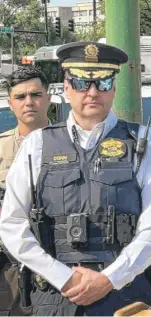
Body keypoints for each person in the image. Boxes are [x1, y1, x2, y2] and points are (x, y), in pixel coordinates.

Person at [0, 41, 151, 316]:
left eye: (103, 83)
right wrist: (63, 277)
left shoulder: (143, 143)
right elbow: (11, 224)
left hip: (126, 295)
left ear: (114, 88)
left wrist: (108, 280)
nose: (92, 92)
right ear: (66, 88)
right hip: (55, 296)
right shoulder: (36, 146)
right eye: (81, 82)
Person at [0, 66, 51, 316]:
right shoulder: (1, 148)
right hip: (9, 266)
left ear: (48, 98)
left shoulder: (70, 142)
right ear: (10, 103)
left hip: (57, 259)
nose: (28, 102)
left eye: (35, 95)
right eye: (20, 97)